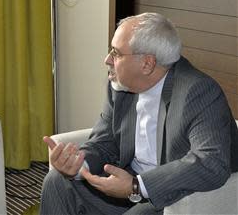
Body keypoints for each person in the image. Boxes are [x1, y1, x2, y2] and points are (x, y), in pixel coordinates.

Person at [40, 12, 238, 215]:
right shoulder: (121, 85)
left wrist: (137, 186)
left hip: (165, 195)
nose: (107, 59)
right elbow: (106, 142)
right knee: (57, 181)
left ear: (147, 63)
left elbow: (212, 161)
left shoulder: (198, 92)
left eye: (116, 53)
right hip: (126, 184)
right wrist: (79, 162)